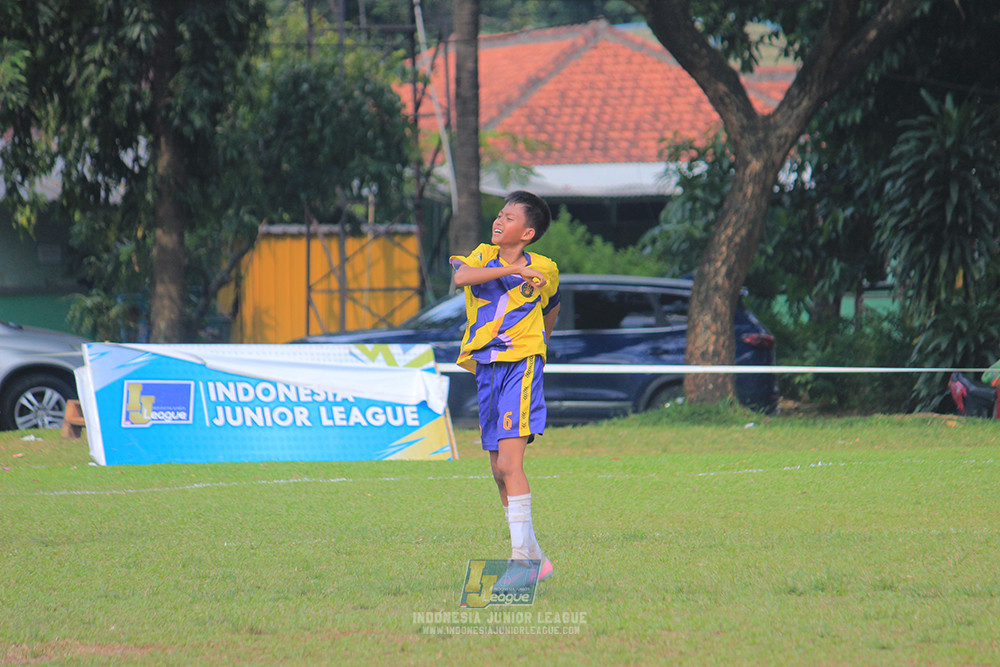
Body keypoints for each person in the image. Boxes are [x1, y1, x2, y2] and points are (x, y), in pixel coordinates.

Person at [450, 190, 560, 586]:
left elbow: (553, 302)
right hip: (486, 368)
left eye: (509, 218)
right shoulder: (481, 255)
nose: (499, 221)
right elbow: (462, 276)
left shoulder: (545, 266)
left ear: (527, 233)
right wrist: (510, 273)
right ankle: (536, 558)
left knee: (512, 466)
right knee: (498, 470)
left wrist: (541, 344)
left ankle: (520, 564)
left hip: (521, 365)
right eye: (499, 214)